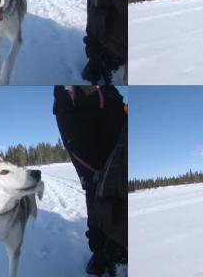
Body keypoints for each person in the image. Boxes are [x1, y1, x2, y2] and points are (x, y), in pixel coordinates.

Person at [53, 85, 128, 276]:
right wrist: (90, 165)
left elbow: (116, 103)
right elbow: (64, 114)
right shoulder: (68, 90)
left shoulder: (109, 92)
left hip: (117, 131)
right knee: (97, 189)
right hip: (88, 144)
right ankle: (104, 251)